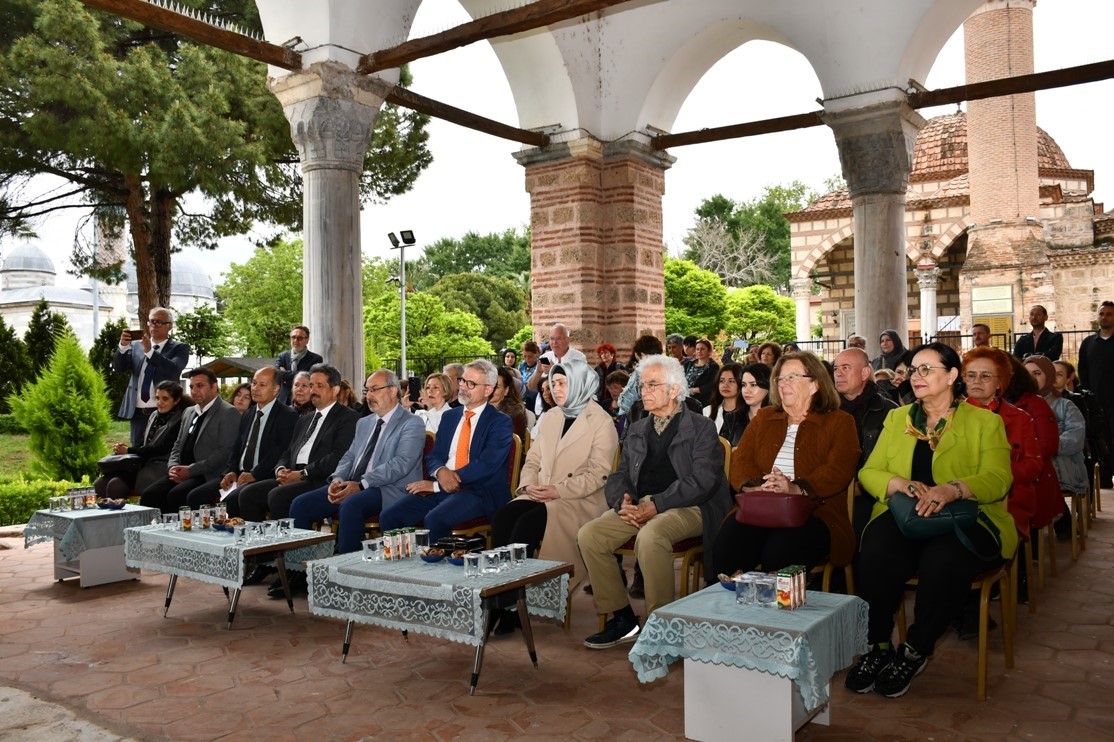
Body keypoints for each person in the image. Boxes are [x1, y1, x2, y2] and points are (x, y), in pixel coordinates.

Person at [846, 342, 1015, 698]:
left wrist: (954, 489)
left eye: (927, 369)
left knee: (943, 560)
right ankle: (878, 646)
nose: (916, 376)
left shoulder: (986, 422)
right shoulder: (899, 418)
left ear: (952, 376)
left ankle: (915, 649)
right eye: (913, 369)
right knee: (876, 550)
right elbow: (870, 471)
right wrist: (899, 484)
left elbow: (999, 479)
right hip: (906, 513)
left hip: (967, 515)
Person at [577, 355, 730, 649]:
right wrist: (622, 501)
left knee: (650, 536)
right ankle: (623, 619)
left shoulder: (701, 427)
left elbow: (702, 481)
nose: (643, 391)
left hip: (691, 506)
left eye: (652, 384)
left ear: (674, 390)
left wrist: (656, 505)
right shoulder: (637, 428)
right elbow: (619, 474)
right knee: (590, 535)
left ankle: (664, 627)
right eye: (642, 384)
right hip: (643, 505)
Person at [489, 360, 618, 632]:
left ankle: (513, 606)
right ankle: (500, 597)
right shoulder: (552, 417)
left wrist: (557, 490)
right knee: (504, 517)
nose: (555, 390)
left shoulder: (602, 422)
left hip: (579, 500)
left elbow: (598, 475)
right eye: (554, 384)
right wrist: (528, 486)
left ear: (581, 384)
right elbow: (532, 460)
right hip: (542, 492)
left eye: (562, 383)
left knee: (527, 525)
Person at [712, 351, 859, 580]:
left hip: (816, 512)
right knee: (727, 544)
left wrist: (795, 488)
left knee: (780, 551)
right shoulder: (764, 418)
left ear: (814, 385)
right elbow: (741, 461)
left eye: (792, 377)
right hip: (761, 506)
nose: (783, 384)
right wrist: (759, 486)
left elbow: (839, 469)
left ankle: (776, 611)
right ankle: (734, 609)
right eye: (780, 378)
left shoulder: (839, 422)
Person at [231, 364, 360, 564]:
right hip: (294, 475)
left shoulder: (348, 417)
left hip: (320, 478)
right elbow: (288, 451)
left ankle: (295, 564)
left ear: (335, 390)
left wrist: (302, 474)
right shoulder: (305, 419)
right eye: (311, 385)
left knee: (278, 496)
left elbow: (337, 457)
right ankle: (261, 560)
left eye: (319, 385)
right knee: (249, 494)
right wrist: (281, 469)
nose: (313, 390)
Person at [380, 359, 514, 540]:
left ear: (488, 390)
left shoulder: (500, 422)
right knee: (389, 516)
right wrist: (440, 471)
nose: (463, 388)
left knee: (435, 519)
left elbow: (486, 465)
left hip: (477, 491)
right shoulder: (451, 416)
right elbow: (435, 455)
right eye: (462, 381)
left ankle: (438, 566)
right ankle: (400, 567)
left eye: (471, 384)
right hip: (442, 485)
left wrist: (438, 484)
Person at [960, 347, 1041, 614]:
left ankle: (968, 610)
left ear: (1000, 383)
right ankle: (963, 609)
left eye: (985, 376)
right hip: (960, 500)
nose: (976, 382)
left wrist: (994, 474)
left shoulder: (1020, 418)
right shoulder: (950, 416)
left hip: (1008, 501)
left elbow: (1033, 465)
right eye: (970, 375)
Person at [184, 366, 299, 510]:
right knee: (194, 496)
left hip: (264, 475)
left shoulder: (287, 415)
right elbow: (237, 447)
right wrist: (231, 471)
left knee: (234, 499)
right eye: (254, 383)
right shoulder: (248, 414)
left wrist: (254, 474)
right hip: (238, 474)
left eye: (262, 385)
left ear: (276, 389)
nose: (255, 388)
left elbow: (279, 452)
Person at [139, 367, 241, 513]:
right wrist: (172, 467)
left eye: (200, 386)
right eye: (192, 386)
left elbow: (224, 453)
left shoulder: (228, 412)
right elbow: (177, 443)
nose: (194, 390)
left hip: (207, 474)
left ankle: (180, 532)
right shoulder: (189, 411)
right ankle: (159, 532)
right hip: (182, 471)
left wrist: (191, 471)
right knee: (150, 495)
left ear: (214, 386)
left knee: (177, 495)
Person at [832, 347, 897, 538]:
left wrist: (864, 486)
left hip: (871, 493)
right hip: (831, 492)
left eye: (846, 367)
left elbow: (895, 460)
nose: (839, 374)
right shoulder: (827, 410)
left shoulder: (889, 411)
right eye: (836, 368)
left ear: (865, 373)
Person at [95, 380, 188, 500]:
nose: (160, 403)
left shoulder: (180, 420)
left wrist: (129, 450)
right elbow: (144, 442)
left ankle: (125, 517)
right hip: (141, 463)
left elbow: (160, 448)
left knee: (115, 485)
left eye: (165, 399)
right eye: (157, 398)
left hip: (160, 467)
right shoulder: (154, 415)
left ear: (176, 400)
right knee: (99, 485)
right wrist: (126, 449)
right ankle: (105, 517)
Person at [1025, 355, 1088, 532]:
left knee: (1041, 475)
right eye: (1027, 374)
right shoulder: (1016, 406)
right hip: (1034, 466)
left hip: (1062, 465)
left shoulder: (1065, 406)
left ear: (1049, 377)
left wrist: (1042, 447)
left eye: (1037, 373)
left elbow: (1075, 439)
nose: (1031, 378)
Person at [113, 306, 191, 446]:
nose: (154, 325)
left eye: (159, 322)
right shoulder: (137, 346)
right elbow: (119, 368)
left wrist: (150, 352)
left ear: (170, 326)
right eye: (151, 321)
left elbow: (173, 369)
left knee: (158, 450)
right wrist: (123, 347)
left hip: (163, 410)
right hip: (137, 410)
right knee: (136, 451)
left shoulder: (180, 348)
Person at [1078, 300, 1114, 486]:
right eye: (1102, 314)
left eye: (1109, 314)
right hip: (1096, 402)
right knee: (1101, 443)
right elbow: (1082, 370)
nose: (1104, 317)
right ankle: (1106, 481)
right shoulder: (1088, 343)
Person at [703, 362, 768, 448]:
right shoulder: (732, 419)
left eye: (753, 385)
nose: (746, 390)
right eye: (744, 385)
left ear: (768, 386)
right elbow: (721, 452)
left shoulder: (779, 419)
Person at [615, 335, 665, 416]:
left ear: (640, 355)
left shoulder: (641, 373)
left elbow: (626, 405)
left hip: (641, 422)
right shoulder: (668, 370)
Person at [275, 325, 323, 404]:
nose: (296, 340)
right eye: (293, 337)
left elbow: (311, 378)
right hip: (283, 400)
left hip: (305, 401)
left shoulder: (316, 359)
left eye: (300, 338)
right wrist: (303, 373)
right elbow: (277, 375)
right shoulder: (282, 356)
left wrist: (285, 375)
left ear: (307, 340)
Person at [492, 365, 529, 447]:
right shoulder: (477, 409)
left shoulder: (514, 414)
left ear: (506, 390)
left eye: (496, 387)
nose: (491, 390)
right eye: (489, 385)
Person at [684, 338, 719, 408]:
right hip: (686, 400)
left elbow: (712, 385)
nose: (699, 351)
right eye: (697, 349)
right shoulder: (688, 364)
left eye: (702, 349)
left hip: (703, 403)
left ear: (709, 351)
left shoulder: (713, 366)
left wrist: (693, 390)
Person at [594, 343, 625, 408]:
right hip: (600, 399)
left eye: (605, 352)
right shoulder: (597, 369)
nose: (603, 355)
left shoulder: (619, 367)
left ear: (612, 354)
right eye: (601, 353)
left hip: (615, 399)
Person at [519, 340, 541, 412]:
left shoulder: (540, 366)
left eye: (530, 356)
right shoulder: (521, 366)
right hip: (523, 397)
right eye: (525, 356)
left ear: (536, 354)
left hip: (535, 397)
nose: (527, 359)